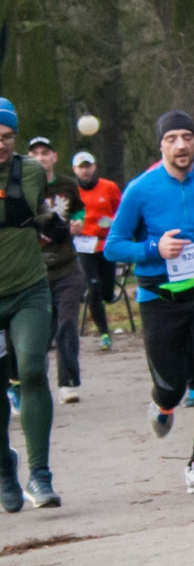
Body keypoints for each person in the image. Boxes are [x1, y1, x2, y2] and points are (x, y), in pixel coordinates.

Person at [105, 111, 194, 495]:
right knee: (171, 387)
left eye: (187, 137)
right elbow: (113, 247)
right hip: (158, 301)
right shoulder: (140, 189)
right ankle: (162, 405)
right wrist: (154, 248)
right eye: (172, 138)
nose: (181, 145)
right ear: (161, 144)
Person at [0, 108, 64, 509]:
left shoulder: (30, 172)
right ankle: (5, 468)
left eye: (7, 136)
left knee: (31, 370)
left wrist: (50, 224)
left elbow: (31, 213)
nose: (0, 144)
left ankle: (40, 475)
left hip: (28, 289)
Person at [29, 138, 88, 404]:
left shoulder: (66, 184)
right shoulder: (24, 185)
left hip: (67, 266)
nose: (41, 158)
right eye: (35, 154)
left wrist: (77, 224)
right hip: (35, 269)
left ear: (54, 156)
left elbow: (79, 211)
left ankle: (68, 382)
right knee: (39, 331)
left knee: (66, 324)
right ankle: (32, 383)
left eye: (45, 153)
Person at [72, 152, 122, 352]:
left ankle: (104, 296)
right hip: (83, 246)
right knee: (93, 287)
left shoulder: (109, 187)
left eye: (88, 166)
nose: (85, 170)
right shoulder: (71, 191)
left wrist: (112, 222)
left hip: (105, 244)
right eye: (81, 167)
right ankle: (104, 333)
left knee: (107, 291)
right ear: (75, 170)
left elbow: (121, 212)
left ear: (94, 167)